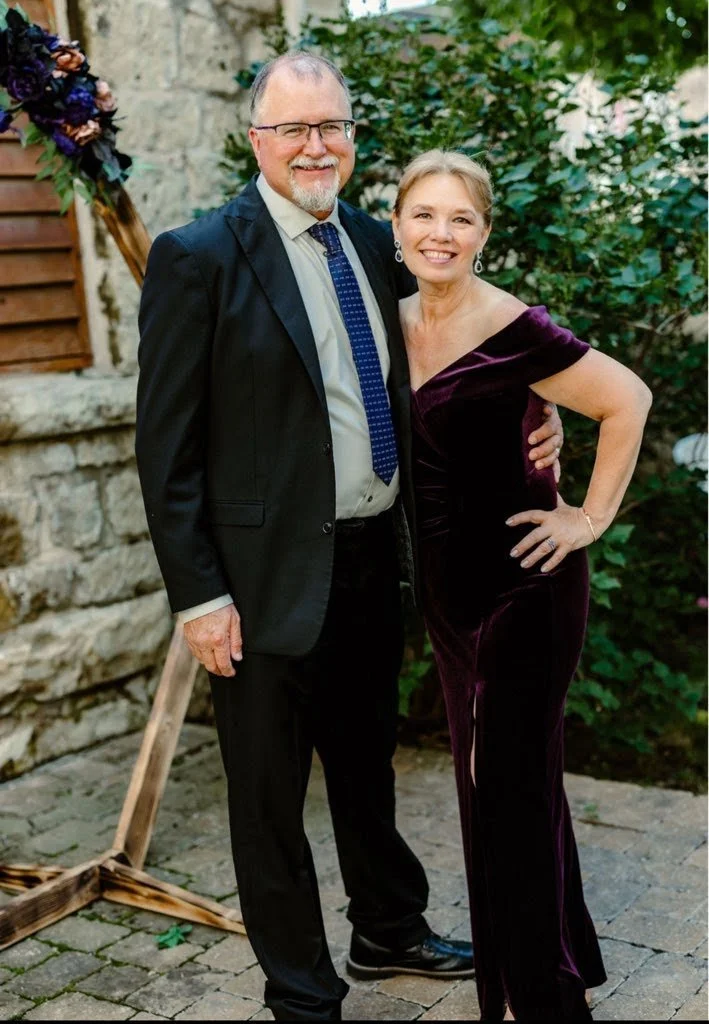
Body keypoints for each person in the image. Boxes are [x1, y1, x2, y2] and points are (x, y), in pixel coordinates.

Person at [135, 54, 564, 1022]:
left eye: (332, 126)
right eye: (293, 129)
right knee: (268, 795)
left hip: (372, 557)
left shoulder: (377, 242)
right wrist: (198, 595)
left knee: (367, 764)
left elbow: (457, 349)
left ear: (353, 138)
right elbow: (165, 448)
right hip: (255, 580)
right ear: (257, 141)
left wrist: (540, 408)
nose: (315, 145)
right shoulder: (199, 256)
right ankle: (300, 989)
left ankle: (387, 929)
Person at [392, 149, 652, 1021]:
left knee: (506, 790)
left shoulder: (514, 328)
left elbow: (626, 398)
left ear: (484, 234)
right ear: (394, 228)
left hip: (527, 589)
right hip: (447, 599)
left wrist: (586, 518)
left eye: (459, 218)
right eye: (423, 214)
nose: (440, 232)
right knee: (495, 788)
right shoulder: (387, 326)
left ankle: (540, 1002)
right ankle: (525, 977)